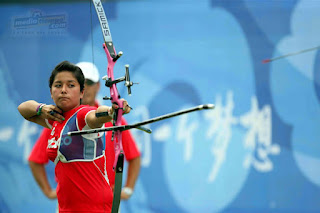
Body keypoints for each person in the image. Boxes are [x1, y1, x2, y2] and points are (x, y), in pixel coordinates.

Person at [18, 61, 132, 212]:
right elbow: (23, 109)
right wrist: (41, 108)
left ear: (81, 92)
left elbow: (96, 115)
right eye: (58, 85)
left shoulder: (83, 115)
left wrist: (112, 111)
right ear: (51, 92)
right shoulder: (56, 119)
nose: (64, 90)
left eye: (71, 85)